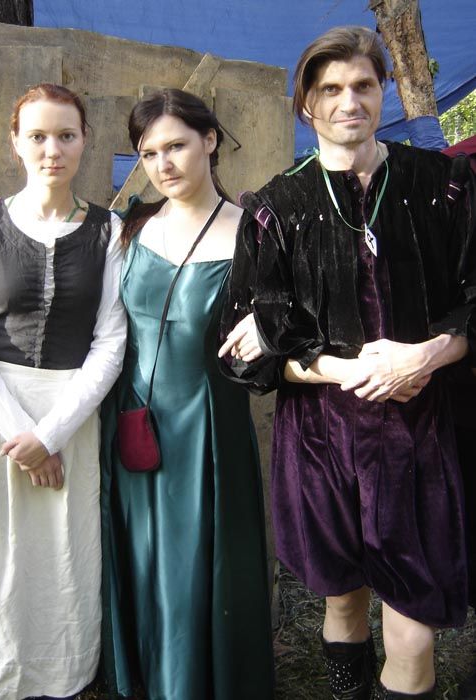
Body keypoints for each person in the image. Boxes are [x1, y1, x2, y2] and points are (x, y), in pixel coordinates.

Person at [219, 26, 476, 700]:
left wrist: (424, 354)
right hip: (320, 439)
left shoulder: (442, 185)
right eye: (329, 89)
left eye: (362, 84)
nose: (348, 102)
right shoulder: (275, 209)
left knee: (413, 617)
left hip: (418, 435)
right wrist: (352, 370)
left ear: (383, 88)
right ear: (305, 102)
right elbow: (244, 352)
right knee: (342, 599)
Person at [0, 83, 127, 699]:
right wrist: (20, 432)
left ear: (85, 141)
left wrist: (50, 435)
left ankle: (62, 678)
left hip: (72, 413)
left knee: (63, 555)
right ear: (16, 143)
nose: (53, 150)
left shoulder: (108, 232)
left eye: (66, 136)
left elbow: (111, 341)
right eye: (39, 136)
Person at [99, 88, 274, 699]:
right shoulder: (129, 227)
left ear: (211, 140)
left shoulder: (253, 235)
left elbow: (291, 321)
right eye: (148, 153)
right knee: (141, 555)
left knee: (197, 565)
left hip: (207, 432)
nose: (163, 164)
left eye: (176, 146)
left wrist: (268, 334)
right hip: (132, 422)